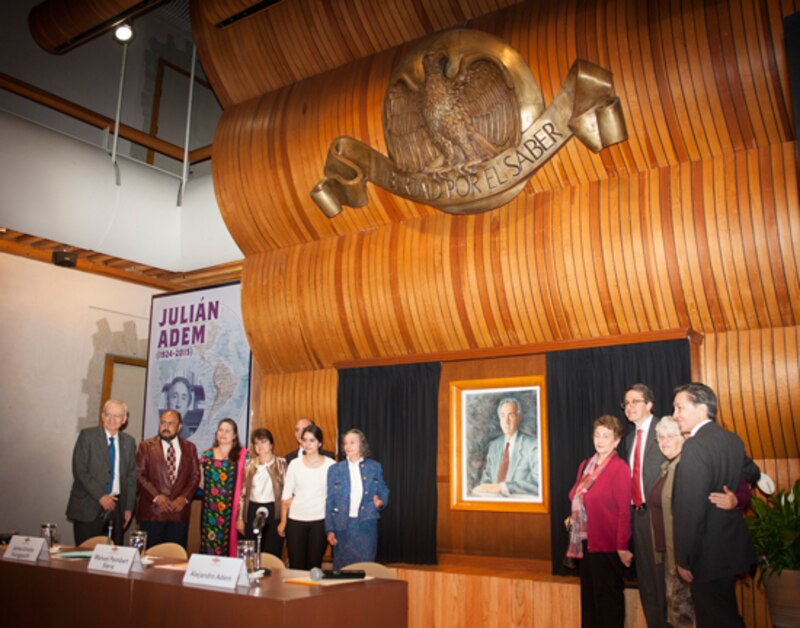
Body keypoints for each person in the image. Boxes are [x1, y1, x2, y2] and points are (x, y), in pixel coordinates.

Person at [671, 383, 757, 628]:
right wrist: (737, 498)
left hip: (706, 553)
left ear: (702, 408)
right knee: (726, 614)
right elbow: (753, 472)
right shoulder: (732, 439)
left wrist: (683, 558)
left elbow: (689, 509)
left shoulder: (695, 445)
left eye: (680, 407)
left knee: (715, 619)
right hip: (729, 548)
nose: (675, 414)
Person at [566, 414, 632, 628]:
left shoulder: (619, 468)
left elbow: (624, 511)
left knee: (609, 602)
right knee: (590, 601)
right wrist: (572, 518)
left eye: (606, 436)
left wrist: (622, 545)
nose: (600, 440)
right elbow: (577, 496)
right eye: (597, 435)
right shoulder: (586, 465)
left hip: (607, 546)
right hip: (584, 543)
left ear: (616, 441)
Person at [618, 383, 668, 628]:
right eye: (626, 403)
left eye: (634, 401)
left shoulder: (665, 430)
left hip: (661, 517)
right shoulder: (629, 440)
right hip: (638, 516)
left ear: (649, 404)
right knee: (647, 582)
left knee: (665, 582)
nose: (629, 407)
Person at [66, 399, 137, 545]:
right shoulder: (87, 436)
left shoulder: (129, 442)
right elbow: (80, 470)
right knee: (84, 559)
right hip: (88, 507)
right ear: (102, 416)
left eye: (117, 416)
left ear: (124, 419)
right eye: (108, 414)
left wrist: (129, 507)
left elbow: (131, 477)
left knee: (112, 558)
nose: (111, 419)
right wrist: (101, 496)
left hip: (117, 510)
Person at [134, 409, 200, 549]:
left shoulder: (190, 448)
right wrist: (156, 497)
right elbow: (139, 475)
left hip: (179, 513)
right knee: (149, 560)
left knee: (174, 562)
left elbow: (195, 476)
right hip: (152, 513)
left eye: (171, 423)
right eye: (163, 422)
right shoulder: (145, 446)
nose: (166, 427)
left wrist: (184, 498)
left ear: (179, 427)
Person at [325, 429, 390, 570]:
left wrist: (381, 501)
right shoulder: (334, 470)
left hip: (366, 525)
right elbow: (330, 501)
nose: (348, 446)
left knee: (365, 568)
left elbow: (383, 490)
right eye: (345, 443)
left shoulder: (374, 467)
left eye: (352, 442)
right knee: (342, 569)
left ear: (361, 445)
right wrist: (329, 529)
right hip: (342, 526)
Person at [279, 424, 335, 569]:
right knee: (296, 567)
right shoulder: (294, 464)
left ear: (320, 443)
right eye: (305, 440)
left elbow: (334, 497)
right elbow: (285, 497)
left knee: (314, 567)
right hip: (295, 521)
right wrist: (283, 522)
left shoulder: (331, 465)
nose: (308, 444)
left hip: (320, 522)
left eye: (312, 440)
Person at [236, 428, 287, 557]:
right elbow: (243, 494)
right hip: (252, 510)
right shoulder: (249, 465)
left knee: (272, 553)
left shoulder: (281, 464)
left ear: (271, 444)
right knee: (249, 554)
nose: (260, 446)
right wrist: (240, 518)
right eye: (256, 443)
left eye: (263, 442)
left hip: (274, 512)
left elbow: (287, 494)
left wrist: (285, 520)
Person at [473, 397, 538, 497]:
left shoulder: (532, 446)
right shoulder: (494, 446)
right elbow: (486, 481)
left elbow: (538, 484)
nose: (506, 421)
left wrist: (503, 487)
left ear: (519, 417)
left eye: (510, 415)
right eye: (503, 416)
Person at [199, 418, 246, 556]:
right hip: (210, 513)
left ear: (234, 435)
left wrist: (240, 516)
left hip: (232, 512)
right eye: (220, 430)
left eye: (227, 431)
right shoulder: (207, 455)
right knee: (209, 549)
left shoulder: (243, 456)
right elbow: (200, 481)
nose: (223, 434)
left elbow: (246, 486)